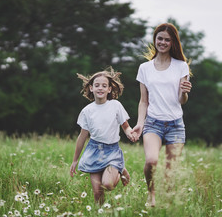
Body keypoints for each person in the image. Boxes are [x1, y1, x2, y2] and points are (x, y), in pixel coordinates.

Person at [132, 23, 192, 207]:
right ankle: (151, 194)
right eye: (160, 38)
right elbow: (143, 101)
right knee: (151, 161)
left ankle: (168, 204)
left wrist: (185, 92)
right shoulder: (144, 68)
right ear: (155, 39)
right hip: (153, 123)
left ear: (173, 42)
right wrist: (140, 123)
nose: (163, 42)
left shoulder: (181, 66)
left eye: (167, 39)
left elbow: (182, 100)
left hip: (175, 125)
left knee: (170, 171)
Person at [70, 67, 138, 204]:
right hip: (94, 150)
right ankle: (99, 212)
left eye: (104, 85)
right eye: (97, 85)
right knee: (97, 193)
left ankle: (121, 168)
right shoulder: (87, 111)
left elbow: (125, 126)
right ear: (90, 88)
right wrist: (75, 160)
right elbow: (82, 136)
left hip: (112, 151)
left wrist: (130, 133)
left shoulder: (115, 105)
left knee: (108, 184)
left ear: (109, 89)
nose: (100, 88)